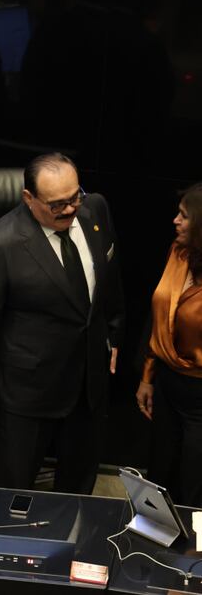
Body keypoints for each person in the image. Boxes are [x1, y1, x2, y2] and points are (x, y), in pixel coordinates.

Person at [0, 153, 124, 494]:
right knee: (12, 492)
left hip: (88, 384)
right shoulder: (0, 245)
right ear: (29, 199)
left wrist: (114, 334)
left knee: (79, 489)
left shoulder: (95, 209)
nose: (70, 209)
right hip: (28, 392)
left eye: (75, 197)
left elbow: (110, 280)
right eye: (57, 204)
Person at [136, 183, 202, 507]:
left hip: (200, 397)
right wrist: (148, 377)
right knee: (160, 477)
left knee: (194, 485)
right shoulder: (178, 252)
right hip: (167, 384)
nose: (175, 221)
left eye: (184, 216)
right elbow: (161, 318)